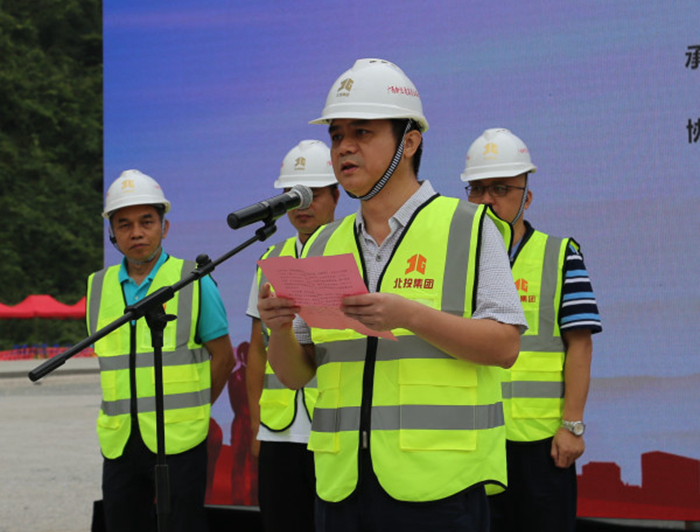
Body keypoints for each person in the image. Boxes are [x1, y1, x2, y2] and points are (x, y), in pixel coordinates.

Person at [257, 58, 528, 532]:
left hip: (439, 486)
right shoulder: (322, 243)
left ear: (410, 142)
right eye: (337, 135)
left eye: (362, 132)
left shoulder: (469, 226)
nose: (344, 147)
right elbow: (296, 374)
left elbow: (505, 347)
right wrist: (277, 329)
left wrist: (409, 315)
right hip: (342, 487)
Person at [461, 128, 602, 532]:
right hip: (472, 441)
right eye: (477, 189)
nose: (487, 199)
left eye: (500, 188)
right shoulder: (453, 260)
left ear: (527, 197)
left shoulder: (559, 255)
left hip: (541, 444)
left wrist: (572, 425)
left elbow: (580, 346)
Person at [86, 169, 235, 532]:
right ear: (112, 233)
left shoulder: (193, 280)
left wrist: (196, 408)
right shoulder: (97, 287)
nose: (136, 233)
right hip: (120, 441)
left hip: (179, 440)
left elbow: (224, 357)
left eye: (146, 222)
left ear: (164, 227)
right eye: (124, 225)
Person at [245, 140, 340, 531]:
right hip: (279, 431)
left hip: (335, 428)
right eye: (293, 194)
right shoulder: (270, 258)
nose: (303, 204)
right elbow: (257, 350)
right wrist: (256, 425)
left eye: (315, 193)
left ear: (337, 195)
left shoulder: (353, 253)